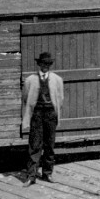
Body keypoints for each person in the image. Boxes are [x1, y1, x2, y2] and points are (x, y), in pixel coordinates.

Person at [20, 52, 64, 185]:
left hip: (50, 114)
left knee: (49, 145)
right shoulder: (30, 80)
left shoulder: (57, 79)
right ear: (39, 64)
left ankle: (47, 174)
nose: (46, 66)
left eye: (48, 64)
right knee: (35, 145)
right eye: (43, 64)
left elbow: (60, 99)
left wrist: (53, 111)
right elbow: (26, 98)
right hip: (37, 114)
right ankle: (31, 176)